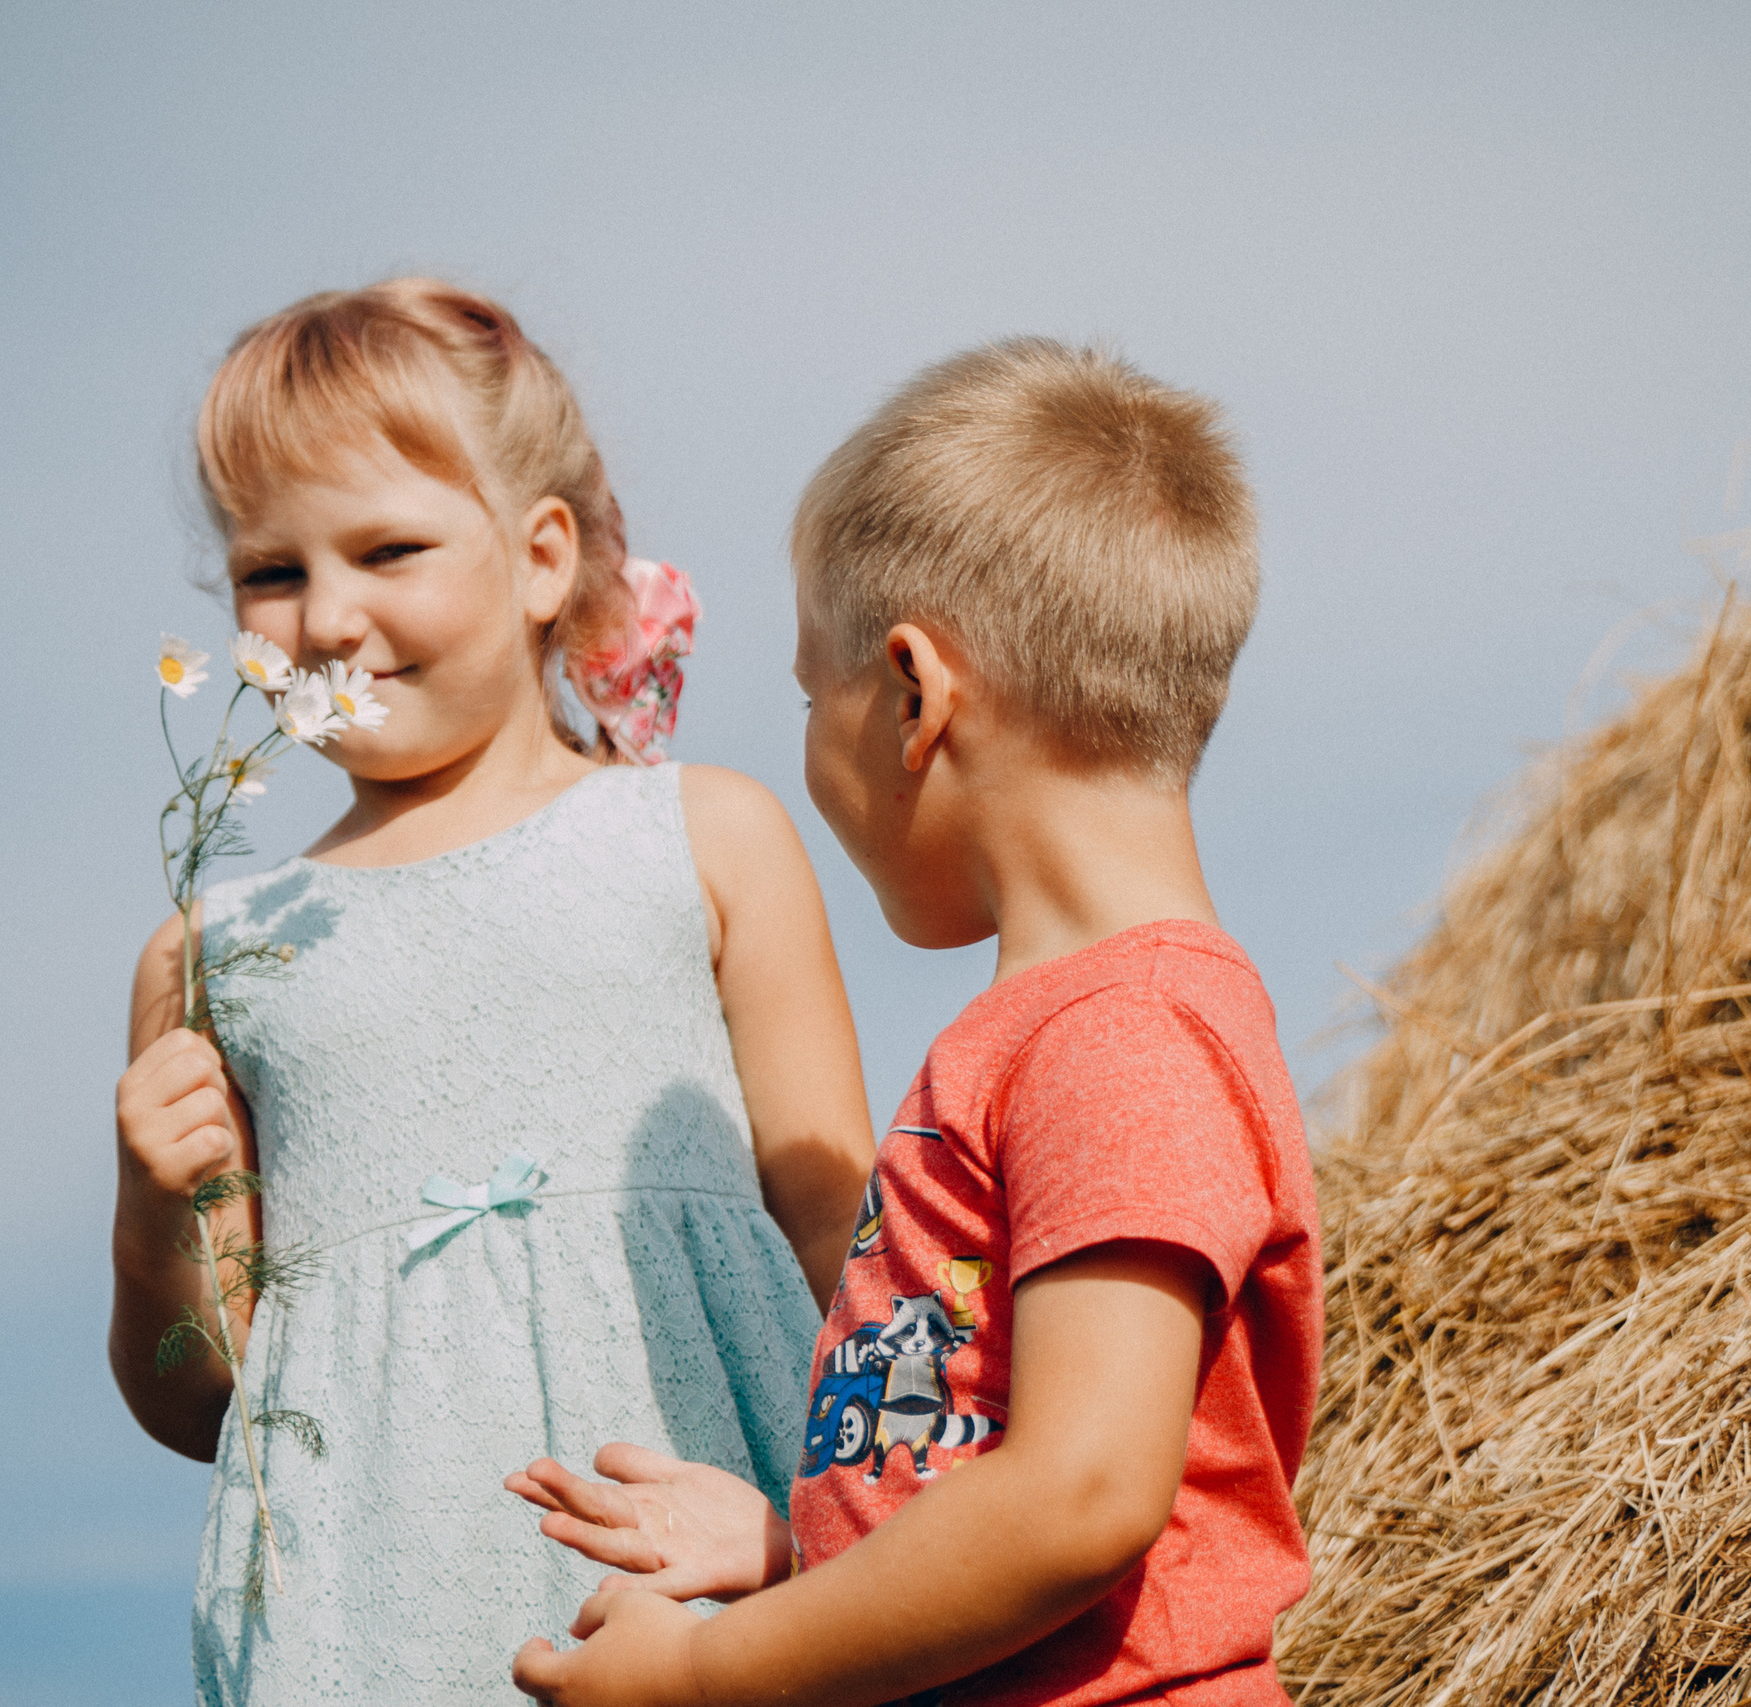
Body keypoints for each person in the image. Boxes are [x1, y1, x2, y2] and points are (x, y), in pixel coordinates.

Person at [508, 340, 1323, 1707]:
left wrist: (706, 1677)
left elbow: (1080, 1496)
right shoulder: (1076, 1028)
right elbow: (1006, 1467)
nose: (806, 743)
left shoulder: (1118, 1038)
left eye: (805, 693)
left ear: (911, 695)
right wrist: (798, 1549)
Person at [107, 278, 876, 1705]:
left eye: (388, 547)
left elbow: (844, 1235)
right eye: (270, 573)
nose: (329, 616)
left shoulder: (701, 835)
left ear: (540, 559)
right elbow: (199, 1396)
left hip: (696, 1563)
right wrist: (156, 1203)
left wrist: (884, 1536)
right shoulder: (214, 951)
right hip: (363, 1618)